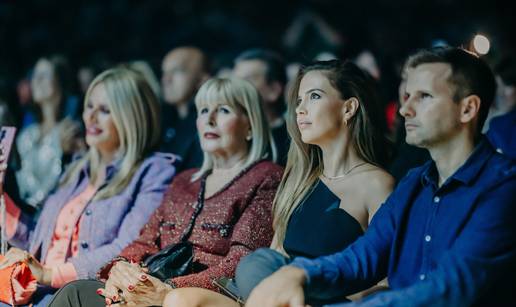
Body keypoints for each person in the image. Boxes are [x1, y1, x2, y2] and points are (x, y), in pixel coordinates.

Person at [245, 47, 516, 307]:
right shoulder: (415, 183)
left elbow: (449, 290)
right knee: (260, 268)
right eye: (406, 96)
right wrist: (300, 275)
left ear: (467, 109)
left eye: (423, 97)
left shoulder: (503, 187)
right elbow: (363, 257)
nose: (404, 109)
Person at [159, 59, 394, 307]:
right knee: (183, 298)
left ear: (349, 108)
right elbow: (275, 256)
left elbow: (387, 279)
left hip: (327, 299)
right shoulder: (298, 179)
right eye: (299, 100)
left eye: (314, 96)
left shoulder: (377, 184)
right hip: (270, 294)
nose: (300, 109)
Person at [48, 77, 283, 307]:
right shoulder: (183, 181)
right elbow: (144, 242)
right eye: (203, 111)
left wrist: (167, 289)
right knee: (75, 292)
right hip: (147, 286)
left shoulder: (266, 177)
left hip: (197, 298)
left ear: (250, 125)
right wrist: (121, 269)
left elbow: (239, 262)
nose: (209, 120)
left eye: (223, 111)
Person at [0, 67, 177, 306]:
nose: (91, 117)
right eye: (90, 106)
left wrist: (50, 274)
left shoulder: (153, 171)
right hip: (37, 291)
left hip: (82, 295)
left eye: (105, 110)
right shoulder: (77, 170)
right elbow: (35, 240)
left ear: (131, 117)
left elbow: (128, 247)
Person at [15, 55, 84, 208]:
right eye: (35, 75)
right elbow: (21, 187)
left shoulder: (71, 130)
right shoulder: (26, 135)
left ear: (60, 82)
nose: (37, 80)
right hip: (25, 219)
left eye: (45, 75)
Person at [233, 48, 290, 165]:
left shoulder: (293, 143)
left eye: (246, 81)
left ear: (274, 90)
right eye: (234, 81)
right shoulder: (228, 135)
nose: (234, 88)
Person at [160, 46, 211, 171]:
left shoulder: (210, 124)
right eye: (164, 72)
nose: (166, 79)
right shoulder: (162, 120)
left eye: (177, 71)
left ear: (201, 79)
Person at [485, 55, 516, 159]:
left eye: (506, 85)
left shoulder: (499, 127)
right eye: (498, 86)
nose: (500, 93)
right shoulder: (496, 124)